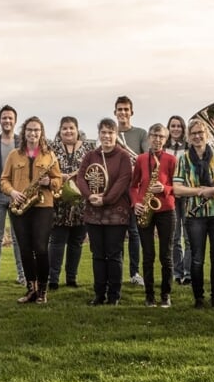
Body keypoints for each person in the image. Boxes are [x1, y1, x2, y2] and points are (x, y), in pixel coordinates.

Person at [1, 117, 62, 303]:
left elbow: (59, 180)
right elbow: (4, 180)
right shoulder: (14, 155)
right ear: (24, 132)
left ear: (41, 132)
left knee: (41, 249)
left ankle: (43, 291)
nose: (33, 133)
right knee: (25, 250)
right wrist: (12, 192)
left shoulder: (49, 155)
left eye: (36, 130)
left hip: (43, 206)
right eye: (29, 130)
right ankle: (31, 289)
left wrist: (49, 182)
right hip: (19, 206)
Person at [173, 118, 214, 310]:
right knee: (196, 259)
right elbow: (177, 189)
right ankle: (199, 299)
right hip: (194, 215)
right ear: (189, 136)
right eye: (193, 133)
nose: (197, 136)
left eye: (200, 133)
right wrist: (199, 192)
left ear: (207, 135)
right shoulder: (183, 159)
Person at [78, 118, 132, 305]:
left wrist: (106, 199)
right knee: (98, 255)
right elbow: (81, 178)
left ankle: (114, 295)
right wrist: (89, 196)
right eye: (103, 132)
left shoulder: (123, 156)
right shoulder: (91, 155)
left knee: (114, 254)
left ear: (116, 135)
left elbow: (123, 181)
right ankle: (99, 293)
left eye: (110, 132)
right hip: (94, 213)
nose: (107, 136)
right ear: (99, 134)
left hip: (116, 213)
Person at [130, 123, 177, 307]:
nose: (157, 140)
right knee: (148, 254)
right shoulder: (141, 159)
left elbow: (178, 187)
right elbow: (133, 186)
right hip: (144, 210)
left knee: (166, 255)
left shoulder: (171, 160)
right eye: (154, 136)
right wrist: (136, 203)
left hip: (166, 210)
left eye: (161, 137)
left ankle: (166, 294)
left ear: (166, 139)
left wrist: (165, 188)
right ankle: (149, 295)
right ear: (149, 137)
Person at [48, 116, 93, 290]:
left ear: (77, 130)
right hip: (59, 202)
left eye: (71, 128)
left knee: (76, 242)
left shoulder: (88, 148)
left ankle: (71, 278)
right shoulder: (52, 148)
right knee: (57, 242)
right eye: (65, 128)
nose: (68, 131)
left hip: (80, 203)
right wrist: (61, 177)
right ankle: (53, 279)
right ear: (60, 131)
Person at [0, 105, 24, 287]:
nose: (7, 121)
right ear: (0, 121)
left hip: (18, 196)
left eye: (10, 118)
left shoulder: (22, 142)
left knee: (18, 238)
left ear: (15, 121)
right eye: (4, 118)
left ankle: (22, 275)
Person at [114, 95, 148, 286]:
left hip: (135, 190)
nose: (123, 113)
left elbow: (145, 160)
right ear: (115, 112)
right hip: (117, 191)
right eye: (120, 109)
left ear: (131, 112)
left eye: (126, 109)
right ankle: (117, 271)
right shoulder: (111, 133)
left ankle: (135, 272)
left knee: (134, 233)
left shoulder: (141, 133)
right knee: (118, 232)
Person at [165, 115, 190, 285]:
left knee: (189, 236)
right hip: (171, 196)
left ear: (183, 129)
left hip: (186, 195)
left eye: (179, 126)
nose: (175, 129)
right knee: (174, 237)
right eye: (172, 126)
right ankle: (177, 271)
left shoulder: (189, 148)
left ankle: (188, 272)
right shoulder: (164, 148)